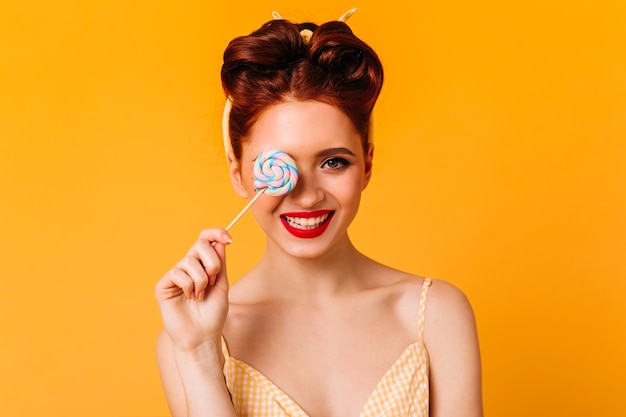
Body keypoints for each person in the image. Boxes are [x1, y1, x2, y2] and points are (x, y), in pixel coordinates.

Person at [155, 9, 483, 417]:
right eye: (277, 165)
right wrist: (200, 355)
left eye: (333, 162)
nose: (306, 196)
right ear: (238, 174)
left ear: (367, 166)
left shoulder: (435, 315)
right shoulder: (190, 336)